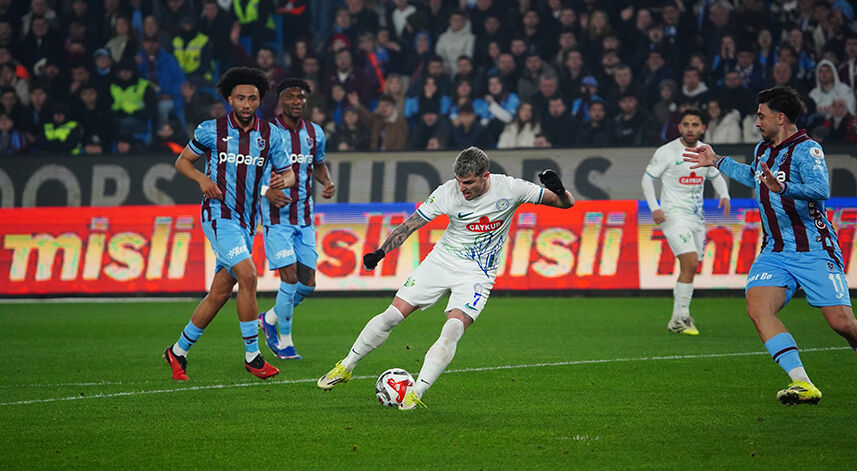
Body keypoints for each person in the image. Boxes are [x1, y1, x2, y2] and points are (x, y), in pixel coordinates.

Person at [317, 147, 575, 409]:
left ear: (485, 176)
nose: (462, 188)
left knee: (452, 329)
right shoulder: (447, 192)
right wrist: (381, 251)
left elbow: (566, 204)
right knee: (392, 315)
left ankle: (415, 393)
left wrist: (560, 190)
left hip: (477, 273)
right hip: (440, 262)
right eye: (459, 181)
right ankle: (346, 366)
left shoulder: (511, 188)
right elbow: (411, 224)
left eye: (468, 182)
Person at [683, 86, 857, 405]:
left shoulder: (807, 149)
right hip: (775, 252)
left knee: (843, 324)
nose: (757, 122)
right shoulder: (763, 150)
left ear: (780, 118)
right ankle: (802, 383)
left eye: (761, 116)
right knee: (758, 308)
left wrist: (784, 188)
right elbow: (753, 176)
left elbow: (821, 189)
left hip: (814, 249)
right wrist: (716, 160)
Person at [163, 67, 295, 381]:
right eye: (240, 98)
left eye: (252, 98)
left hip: (247, 223)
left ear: (259, 100)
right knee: (248, 276)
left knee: (220, 294)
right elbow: (182, 161)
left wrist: (283, 182)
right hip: (218, 216)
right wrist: (202, 179)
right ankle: (253, 357)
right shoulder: (211, 130)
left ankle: (178, 351)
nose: (246, 104)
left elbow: (288, 173)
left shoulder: (270, 135)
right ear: (230, 100)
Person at [258, 78, 336, 360]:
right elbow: (249, 174)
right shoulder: (266, 132)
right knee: (289, 278)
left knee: (308, 283)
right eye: (290, 96)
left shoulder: (314, 133)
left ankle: (268, 318)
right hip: (276, 218)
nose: (296, 101)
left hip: (304, 218)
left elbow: (318, 164)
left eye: (301, 97)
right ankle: (285, 342)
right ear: (281, 101)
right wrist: (267, 192)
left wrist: (327, 182)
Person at [642, 108, 731, 336]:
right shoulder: (667, 151)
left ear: (702, 128)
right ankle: (682, 317)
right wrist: (655, 207)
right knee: (690, 261)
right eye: (686, 124)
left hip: (696, 218)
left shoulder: (705, 151)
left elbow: (716, 176)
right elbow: (647, 180)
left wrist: (724, 195)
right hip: (673, 215)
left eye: (695, 124)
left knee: (691, 266)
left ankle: (676, 319)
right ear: (679, 127)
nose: (690, 129)